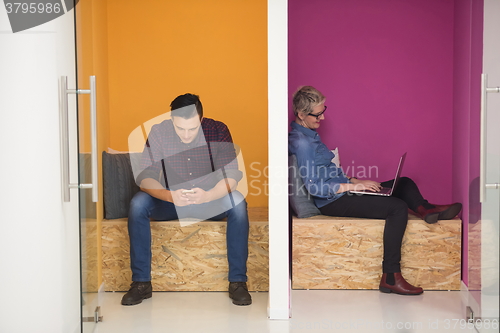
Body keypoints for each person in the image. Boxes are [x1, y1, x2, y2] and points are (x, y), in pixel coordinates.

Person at [288, 86, 462, 295]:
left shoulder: (310, 135)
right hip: (332, 200)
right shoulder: (302, 143)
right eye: (318, 114)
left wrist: (356, 180)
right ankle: (390, 277)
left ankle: (427, 210)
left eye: (323, 110)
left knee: (404, 183)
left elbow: (328, 171)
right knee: (397, 207)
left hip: (344, 189)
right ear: (301, 114)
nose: (323, 117)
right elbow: (315, 186)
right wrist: (354, 187)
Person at [122, 93, 251, 306]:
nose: (186, 134)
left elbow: (231, 177)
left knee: (238, 203)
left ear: (200, 119)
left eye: (192, 129)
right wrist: (169, 196)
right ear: (172, 120)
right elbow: (145, 178)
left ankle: (238, 282)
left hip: (209, 200)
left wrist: (208, 195)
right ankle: (141, 283)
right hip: (171, 202)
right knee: (137, 204)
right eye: (180, 128)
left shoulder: (218, 130)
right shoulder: (159, 132)